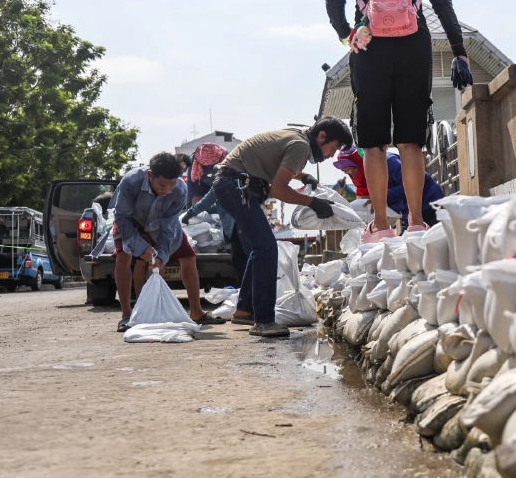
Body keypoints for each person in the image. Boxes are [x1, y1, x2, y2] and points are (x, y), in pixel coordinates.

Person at [326, 0, 469, 243]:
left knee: (374, 143)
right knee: (410, 141)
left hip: (369, 49)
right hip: (414, 50)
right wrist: (459, 51)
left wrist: (348, 34)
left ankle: (380, 225)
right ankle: (417, 221)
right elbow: (444, 5)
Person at [212, 118, 352, 337]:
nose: (330, 155)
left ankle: (244, 310)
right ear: (322, 136)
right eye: (332, 148)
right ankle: (264, 321)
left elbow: (276, 162)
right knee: (267, 248)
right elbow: (278, 190)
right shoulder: (301, 146)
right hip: (235, 185)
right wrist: (313, 203)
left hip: (234, 184)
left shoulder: (299, 138)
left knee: (261, 247)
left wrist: (303, 176)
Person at [111, 152, 223, 333]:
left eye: (171, 185)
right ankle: (126, 315)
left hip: (159, 224)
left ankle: (196, 311)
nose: (166, 190)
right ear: (150, 176)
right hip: (130, 222)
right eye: (162, 185)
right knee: (123, 257)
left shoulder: (180, 190)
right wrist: (141, 248)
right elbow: (121, 217)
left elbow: (169, 226)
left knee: (188, 255)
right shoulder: (131, 181)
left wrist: (161, 256)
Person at [335, 148, 443, 229]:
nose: (352, 175)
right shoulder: (367, 182)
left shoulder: (389, 162)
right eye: (347, 173)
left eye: (353, 170)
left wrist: (381, 197)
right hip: (408, 217)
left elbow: (411, 185)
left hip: (430, 206)